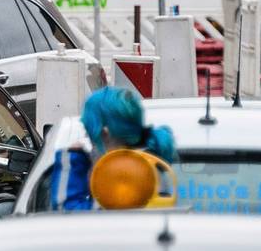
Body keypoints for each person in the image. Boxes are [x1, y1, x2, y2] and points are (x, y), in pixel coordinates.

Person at [42, 86, 177, 212]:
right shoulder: (152, 164)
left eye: (89, 134)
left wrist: (72, 160)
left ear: (104, 133)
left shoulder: (121, 174)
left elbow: (67, 212)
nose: (89, 141)